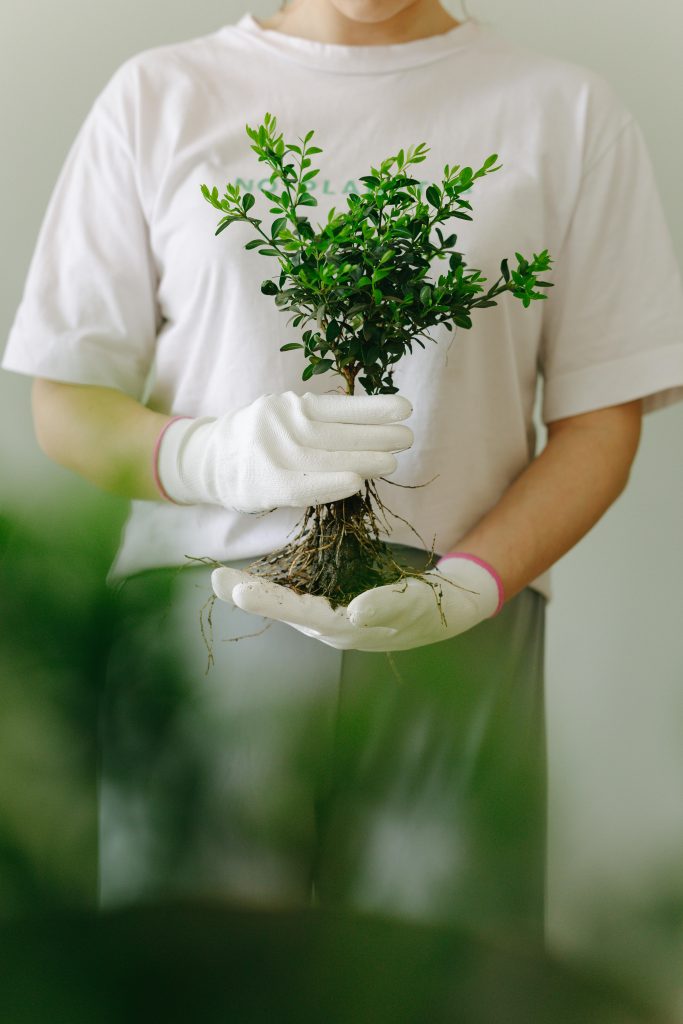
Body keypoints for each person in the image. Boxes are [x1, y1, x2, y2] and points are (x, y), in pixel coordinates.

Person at [4, 0, 683, 944]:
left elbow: (598, 424)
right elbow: (68, 402)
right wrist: (207, 454)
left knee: (447, 981)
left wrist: (469, 587)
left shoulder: (564, 113)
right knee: (198, 976)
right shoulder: (160, 96)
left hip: (455, 632)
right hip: (203, 621)